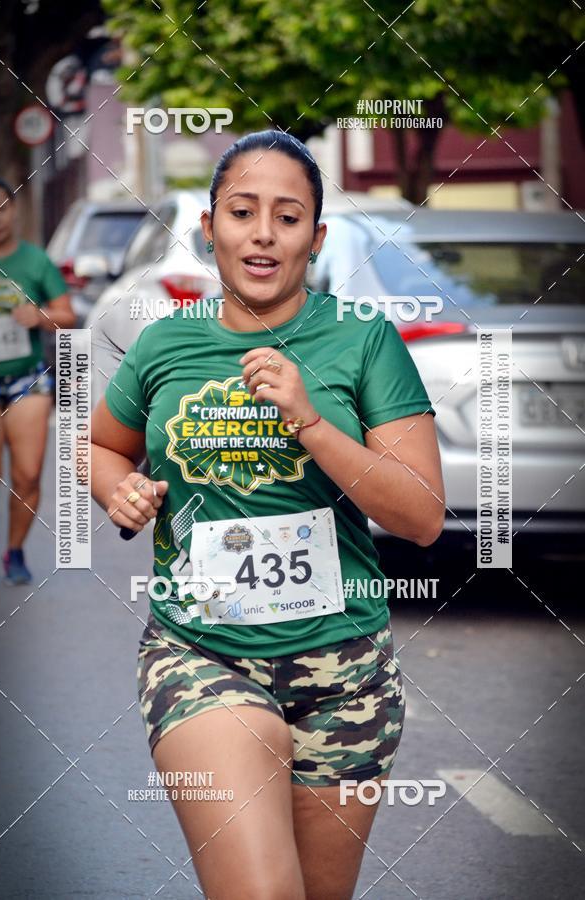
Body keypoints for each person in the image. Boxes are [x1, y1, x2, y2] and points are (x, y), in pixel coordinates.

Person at [90, 130, 445, 900]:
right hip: (200, 655)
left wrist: (312, 422)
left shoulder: (364, 340)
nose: (262, 233)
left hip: (345, 671)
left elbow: (421, 518)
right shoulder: (163, 344)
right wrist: (115, 486)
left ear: (314, 239)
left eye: (288, 217)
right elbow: (100, 448)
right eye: (242, 211)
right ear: (209, 227)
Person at [0, 178, 76, 584]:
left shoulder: (36, 262)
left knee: (26, 474)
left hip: (27, 379)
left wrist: (39, 316)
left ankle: (15, 550)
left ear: (14, 210)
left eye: (1, 208)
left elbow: (68, 315)